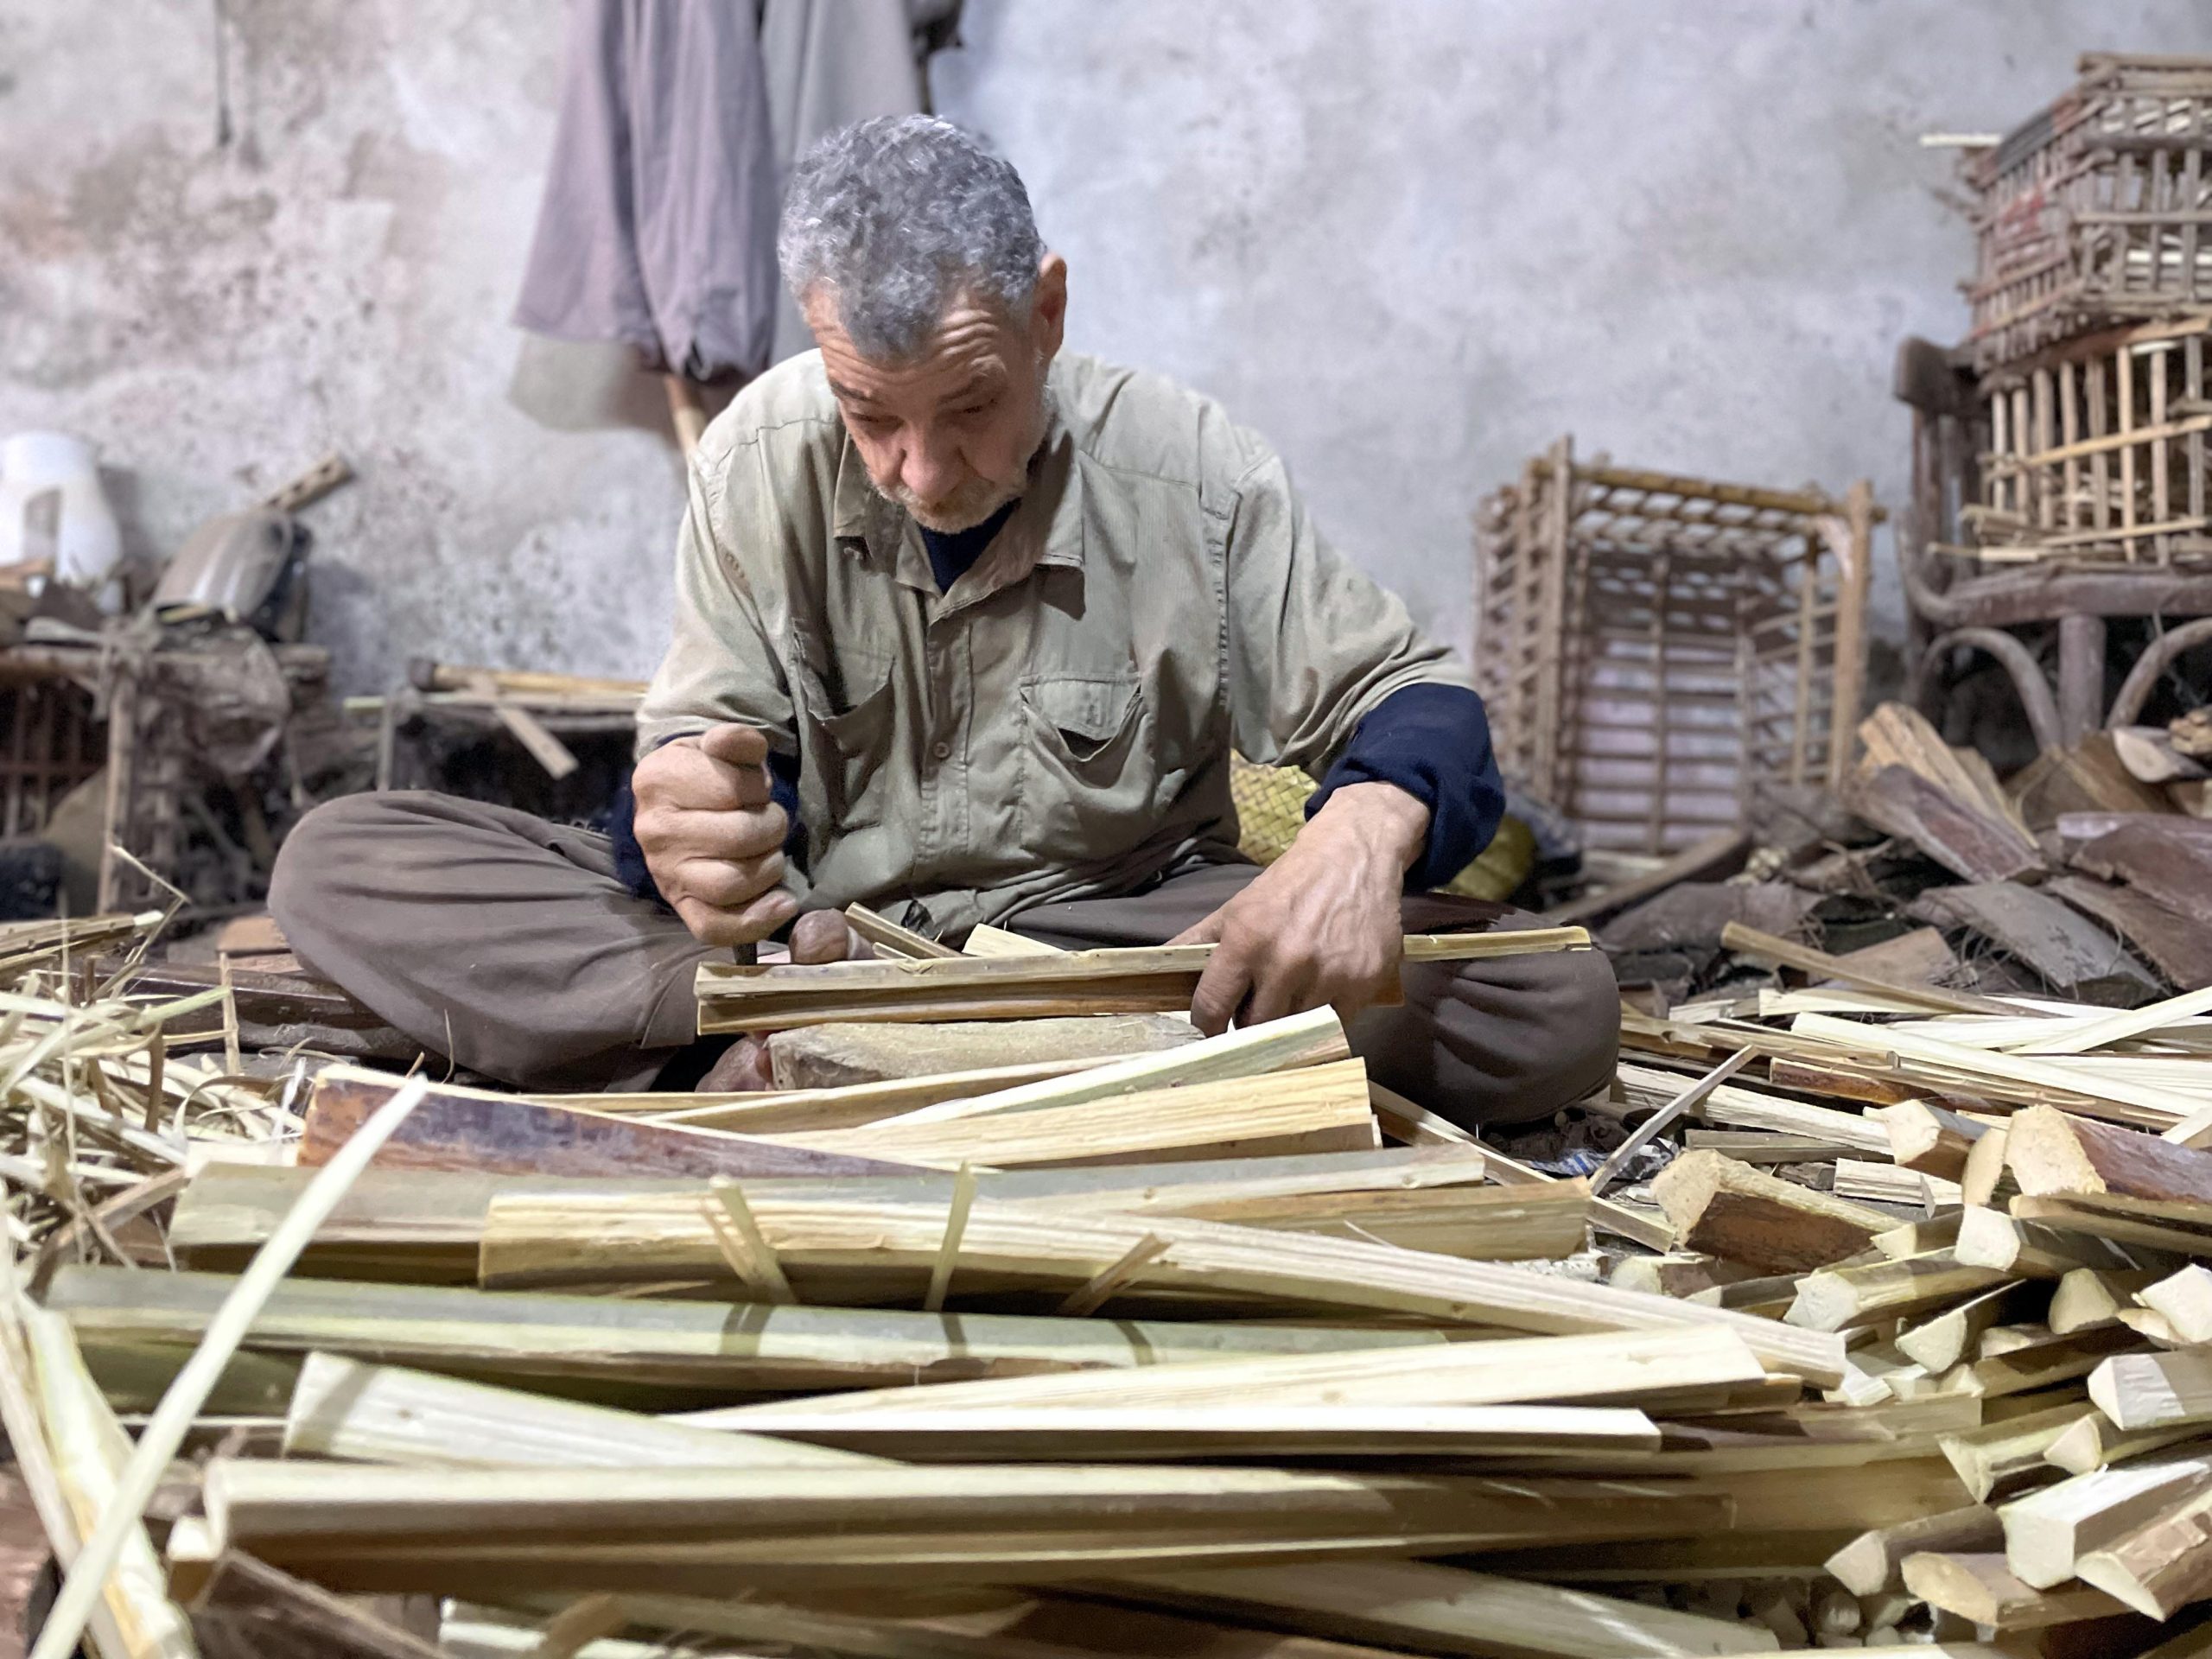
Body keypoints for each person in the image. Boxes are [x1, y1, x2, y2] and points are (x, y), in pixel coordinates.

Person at [270, 115, 1618, 1122]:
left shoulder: (1192, 472)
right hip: (809, 946)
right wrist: (678, 826)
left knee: (1551, 1002)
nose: (920, 469)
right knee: (341, 858)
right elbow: (707, 776)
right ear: (819, 341)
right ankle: (967, 1069)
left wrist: (1365, 834)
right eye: (873, 415)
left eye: (969, 406)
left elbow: (1419, 704)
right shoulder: (756, 457)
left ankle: (816, 1075)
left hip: (1105, 944)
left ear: (1047, 310)